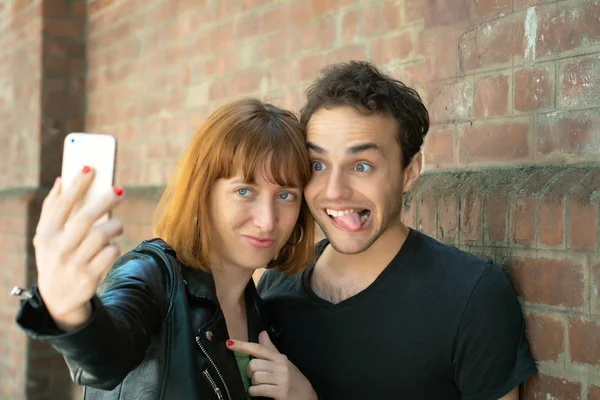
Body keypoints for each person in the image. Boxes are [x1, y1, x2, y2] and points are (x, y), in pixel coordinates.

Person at [258, 61, 538, 400]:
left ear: (409, 171)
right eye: (318, 165)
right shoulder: (276, 287)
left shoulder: (470, 296)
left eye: (362, 166)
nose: (334, 190)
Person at [14, 99, 319, 400]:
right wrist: (68, 310)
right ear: (203, 193)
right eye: (244, 191)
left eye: (285, 196)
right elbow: (105, 359)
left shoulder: (263, 311)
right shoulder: (153, 274)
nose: (267, 221)